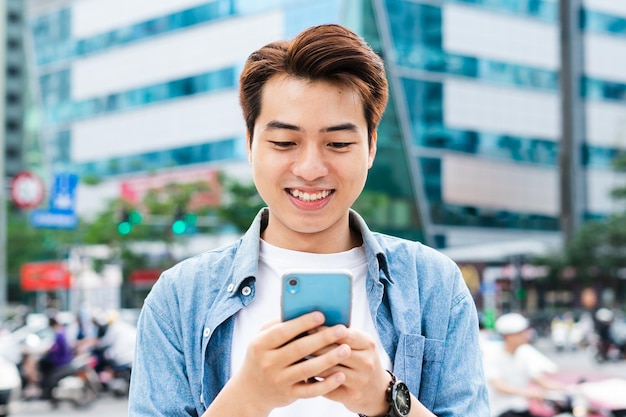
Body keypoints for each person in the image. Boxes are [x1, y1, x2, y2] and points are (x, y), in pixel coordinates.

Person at [129, 23, 489, 417]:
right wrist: (247, 399)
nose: (311, 168)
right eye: (284, 143)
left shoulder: (434, 284)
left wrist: (385, 399)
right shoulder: (180, 297)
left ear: (370, 146)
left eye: (338, 143)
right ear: (250, 145)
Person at [484, 313, 567, 417]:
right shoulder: (493, 356)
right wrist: (528, 393)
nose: (526, 335)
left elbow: (540, 380)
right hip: (502, 411)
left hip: (521, 409)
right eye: (521, 333)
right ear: (508, 336)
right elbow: (499, 386)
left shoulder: (524, 354)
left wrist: (569, 388)